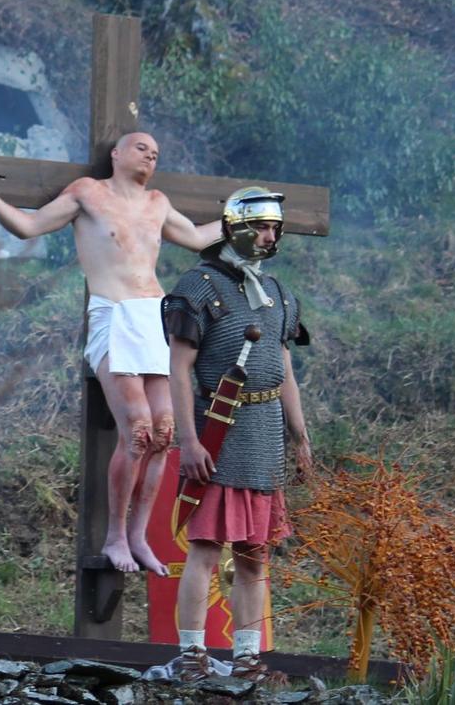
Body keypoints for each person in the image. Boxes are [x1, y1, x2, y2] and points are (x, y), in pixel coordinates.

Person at [0, 131, 220, 574]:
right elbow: (29, 226)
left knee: (164, 431)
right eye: (142, 147)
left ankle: (139, 535)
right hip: (114, 312)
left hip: (154, 313)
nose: (151, 154)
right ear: (116, 154)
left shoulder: (157, 201)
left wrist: (249, 217)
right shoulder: (87, 193)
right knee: (137, 429)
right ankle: (115, 535)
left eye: (157, 151)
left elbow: (197, 239)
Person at [161, 187, 312, 686]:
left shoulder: (278, 293)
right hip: (218, 432)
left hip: (264, 436)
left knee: (255, 555)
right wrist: (189, 441)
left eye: (275, 228)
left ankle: (247, 657)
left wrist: (301, 436)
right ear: (235, 228)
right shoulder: (198, 286)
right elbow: (179, 371)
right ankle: (192, 655)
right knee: (204, 551)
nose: (269, 236)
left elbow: (284, 366)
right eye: (261, 226)